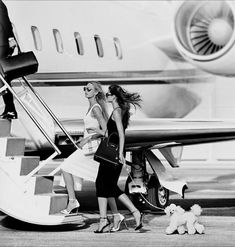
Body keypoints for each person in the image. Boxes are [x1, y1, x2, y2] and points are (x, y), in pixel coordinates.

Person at [60, 81, 120, 217]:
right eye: (84, 89)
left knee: (65, 166)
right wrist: (84, 138)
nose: (86, 91)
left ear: (96, 92)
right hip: (88, 147)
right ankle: (117, 215)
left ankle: (72, 201)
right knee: (104, 185)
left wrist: (90, 136)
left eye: (89, 89)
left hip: (92, 149)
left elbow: (106, 131)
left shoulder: (96, 108)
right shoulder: (91, 107)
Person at [95, 84, 143, 233]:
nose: (107, 96)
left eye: (109, 94)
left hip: (112, 154)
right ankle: (107, 219)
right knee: (104, 185)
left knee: (107, 186)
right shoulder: (119, 110)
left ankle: (134, 212)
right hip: (113, 153)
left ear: (114, 96)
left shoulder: (116, 111)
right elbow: (112, 133)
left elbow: (121, 134)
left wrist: (120, 154)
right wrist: (97, 131)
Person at [0, 0, 17, 119]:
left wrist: (11, 38)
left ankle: (10, 108)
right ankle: (10, 108)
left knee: (2, 77)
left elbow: (5, 22)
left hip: (1, 44)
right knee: (3, 77)